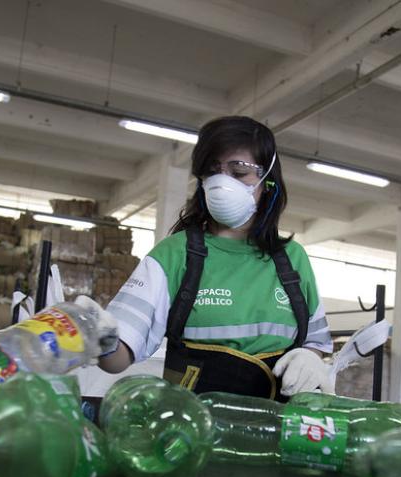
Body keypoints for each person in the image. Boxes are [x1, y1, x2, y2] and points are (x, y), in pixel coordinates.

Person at [80, 116, 333, 399]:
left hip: (277, 435)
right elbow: (120, 356)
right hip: (194, 432)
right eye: (213, 171)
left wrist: (310, 359)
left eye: (239, 173)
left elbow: (316, 342)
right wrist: (100, 338)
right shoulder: (175, 255)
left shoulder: (291, 260)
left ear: (268, 181)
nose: (223, 183)